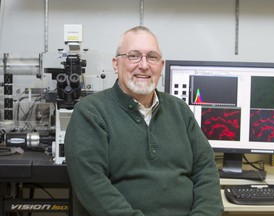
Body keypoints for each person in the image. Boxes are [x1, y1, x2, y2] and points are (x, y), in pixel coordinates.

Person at [64, 26, 224, 216]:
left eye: (152, 57)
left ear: (161, 65)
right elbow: (92, 186)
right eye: (134, 56)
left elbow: (206, 171)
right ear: (116, 64)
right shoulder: (91, 112)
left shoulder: (180, 110)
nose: (144, 65)